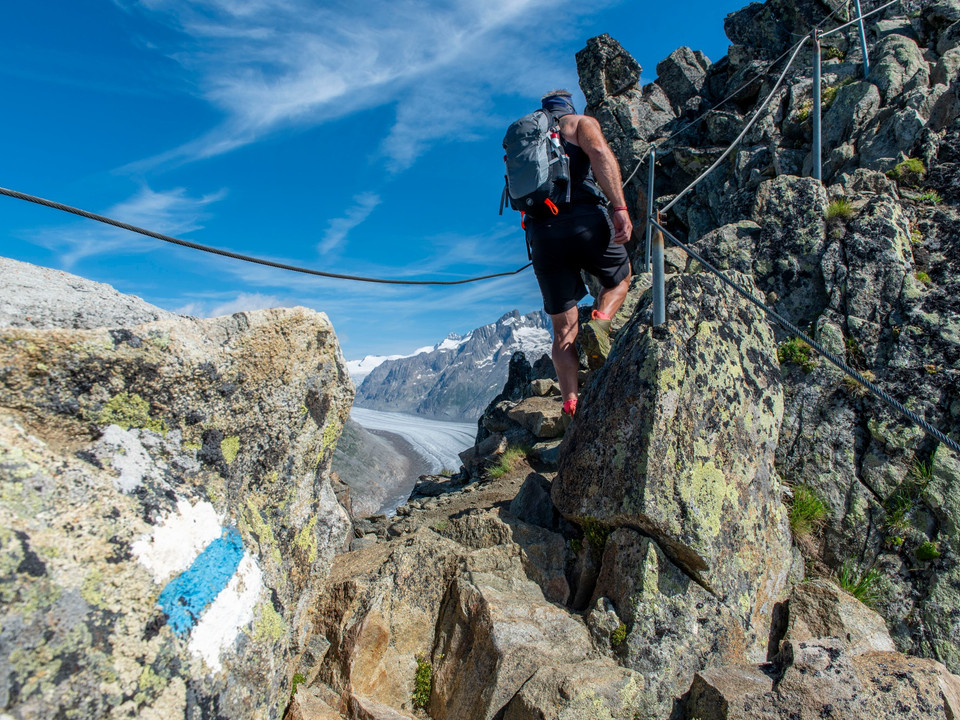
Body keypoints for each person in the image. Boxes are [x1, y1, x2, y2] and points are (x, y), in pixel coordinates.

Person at [524, 89, 633, 417]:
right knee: (619, 278)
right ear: (568, 106)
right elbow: (599, 152)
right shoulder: (579, 123)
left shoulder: (529, 141)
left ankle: (571, 403)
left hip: (541, 234)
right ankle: (601, 320)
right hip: (586, 221)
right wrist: (620, 207)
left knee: (563, 331)